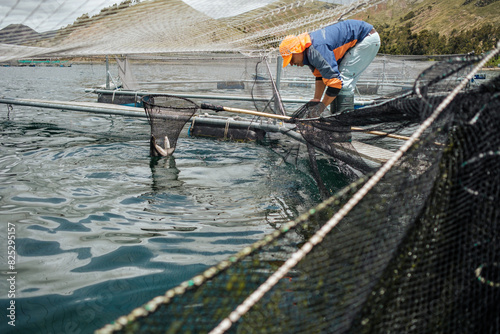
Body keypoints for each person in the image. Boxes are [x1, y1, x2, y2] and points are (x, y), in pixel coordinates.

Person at [279, 19, 380, 115]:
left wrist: (321, 108)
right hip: (361, 37)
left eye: (291, 59)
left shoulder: (317, 49)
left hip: (366, 38)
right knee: (337, 82)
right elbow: (321, 75)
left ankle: (342, 126)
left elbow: (335, 84)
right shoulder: (308, 50)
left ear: (297, 51)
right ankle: (337, 122)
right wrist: (317, 100)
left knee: (343, 83)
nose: (291, 63)